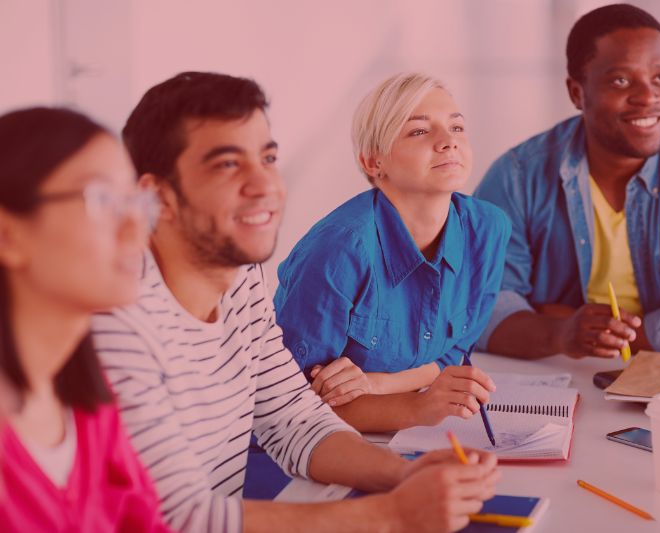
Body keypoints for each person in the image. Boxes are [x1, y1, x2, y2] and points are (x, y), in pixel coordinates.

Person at [92, 71, 499, 533]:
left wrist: (405, 473)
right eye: (227, 165)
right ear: (158, 197)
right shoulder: (115, 325)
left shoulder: (241, 279)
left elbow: (294, 418)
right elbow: (173, 518)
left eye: (267, 157)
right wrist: (391, 513)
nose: (265, 183)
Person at [474, 3, 660, 360]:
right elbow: (481, 311)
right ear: (577, 93)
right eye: (621, 80)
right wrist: (563, 334)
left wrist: (575, 327)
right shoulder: (517, 176)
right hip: (554, 380)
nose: (647, 97)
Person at [273, 73, 511, 431]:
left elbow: (453, 353)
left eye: (457, 128)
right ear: (373, 163)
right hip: (315, 445)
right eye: (419, 131)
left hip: (414, 435)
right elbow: (291, 404)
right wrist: (416, 407)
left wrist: (376, 386)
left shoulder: (489, 228)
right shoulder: (338, 250)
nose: (448, 142)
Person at [0, 107, 169, 530]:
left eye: (136, 202)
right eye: (103, 200)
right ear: (7, 236)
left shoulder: (87, 400)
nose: (137, 228)